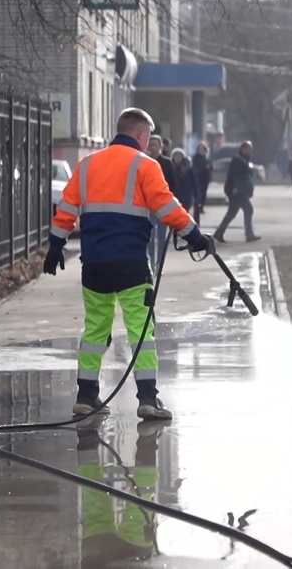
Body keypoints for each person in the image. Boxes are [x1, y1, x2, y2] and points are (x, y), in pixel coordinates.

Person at [45, 108, 215, 420]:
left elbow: (66, 209)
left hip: (94, 263)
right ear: (140, 134)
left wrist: (55, 246)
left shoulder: (86, 166)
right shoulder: (145, 166)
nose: (149, 141)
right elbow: (167, 207)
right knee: (141, 330)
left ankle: (86, 397)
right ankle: (148, 399)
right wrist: (194, 236)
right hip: (132, 264)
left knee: (95, 328)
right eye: (148, 136)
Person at [77, 422, 168, 565]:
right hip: (97, 557)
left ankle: (147, 442)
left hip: (133, 554)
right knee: (93, 498)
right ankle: (86, 436)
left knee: (142, 499)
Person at [213, 140, 261, 243]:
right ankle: (249, 235)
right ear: (243, 149)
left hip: (240, 190)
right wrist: (235, 188)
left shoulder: (243, 159)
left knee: (232, 213)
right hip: (238, 191)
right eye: (248, 149)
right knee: (248, 210)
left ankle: (219, 233)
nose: (250, 151)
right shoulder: (238, 160)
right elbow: (234, 175)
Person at [146, 135, 179, 269]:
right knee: (150, 237)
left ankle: (160, 263)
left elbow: (173, 184)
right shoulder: (145, 162)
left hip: (164, 205)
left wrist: (173, 203)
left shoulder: (166, 163)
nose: (153, 147)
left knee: (161, 237)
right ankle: (151, 263)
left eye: (155, 145)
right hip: (149, 206)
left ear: (160, 147)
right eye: (151, 144)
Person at [170, 148, 198, 213]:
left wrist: (196, 194)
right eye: (175, 156)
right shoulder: (170, 167)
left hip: (186, 194)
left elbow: (194, 181)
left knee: (185, 211)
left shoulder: (188, 168)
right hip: (175, 194)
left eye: (179, 156)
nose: (177, 158)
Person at [190, 142, 212, 222]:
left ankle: (202, 206)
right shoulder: (196, 157)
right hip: (198, 178)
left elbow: (210, 166)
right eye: (200, 148)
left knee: (204, 193)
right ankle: (198, 206)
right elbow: (195, 167)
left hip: (205, 178)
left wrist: (209, 168)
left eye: (203, 148)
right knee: (198, 193)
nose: (201, 150)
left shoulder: (206, 157)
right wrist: (203, 168)